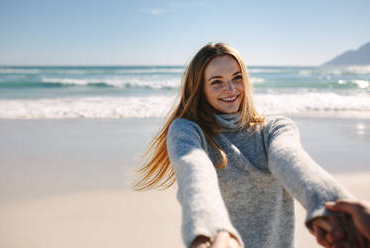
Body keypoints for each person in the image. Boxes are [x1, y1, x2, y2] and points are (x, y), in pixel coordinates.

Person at [132, 42, 357, 248]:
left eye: (236, 78)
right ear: (199, 89)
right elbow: (196, 174)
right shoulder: (188, 131)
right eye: (217, 82)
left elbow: (291, 161)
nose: (230, 89)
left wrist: (334, 210)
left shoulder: (275, 128)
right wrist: (212, 231)